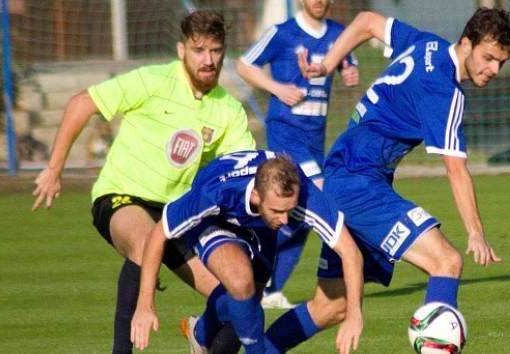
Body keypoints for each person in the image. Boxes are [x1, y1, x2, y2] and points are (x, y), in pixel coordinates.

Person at [262, 7, 510, 353]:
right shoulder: (445, 91)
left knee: (331, 307)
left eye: (501, 62)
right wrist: (475, 231)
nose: (493, 70)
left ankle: (257, 349)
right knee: (447, 261)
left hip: (343, 172)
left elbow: (367, 21)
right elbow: (456, 169)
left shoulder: (427, 44)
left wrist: (327, 64)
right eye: (489, 58)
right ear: (467, 43)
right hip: (359, 182)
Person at [31, 10, 255, 354]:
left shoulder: (228, 110)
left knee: (238, 300)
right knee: (144, 240)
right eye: (199, 51)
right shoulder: (152, 81)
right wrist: (54, 168)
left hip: (177, 215)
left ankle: (201, 334)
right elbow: (81, 103)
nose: (208, 60)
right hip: (122, 197)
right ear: (182, 51)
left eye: (215, 51)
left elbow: (242, 172)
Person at [129, 151, 364, 354]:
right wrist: (145, 305)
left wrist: (354, 313)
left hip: (260, 229)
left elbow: (350, 252)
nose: (285, 220)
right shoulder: (214, 192)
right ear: (255, 196)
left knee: (250, 298)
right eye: (277, 210)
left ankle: (199, 332)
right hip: (215, 221)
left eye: (289, 210)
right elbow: (159, 234)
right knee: (240, 282)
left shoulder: (303, 195)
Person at [236, 0, 359, 309]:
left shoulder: (339, 33)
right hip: (286, 134)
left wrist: (350, 71)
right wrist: (276, 88)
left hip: (315, 139)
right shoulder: (282, 33)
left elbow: (349, 62)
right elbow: (243, 65)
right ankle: (344, 269)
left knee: (299, 216)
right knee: (319, 195)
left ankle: (269, 287)